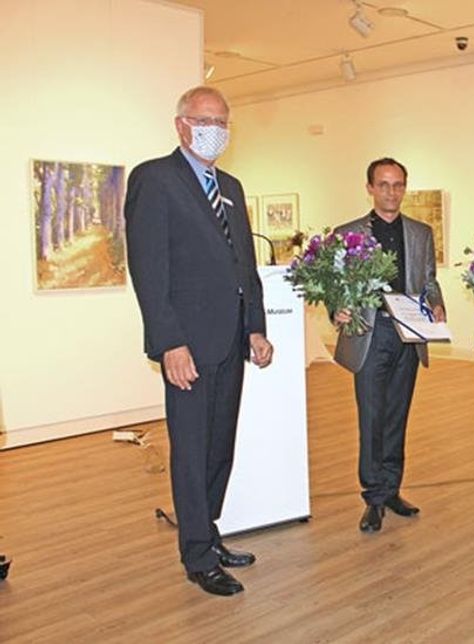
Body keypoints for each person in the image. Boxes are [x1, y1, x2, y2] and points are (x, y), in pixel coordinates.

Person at [126, 86, 273, 595]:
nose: (217, 129)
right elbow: (149, 269)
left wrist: (256, 325)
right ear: (182, 125)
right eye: (207, 119)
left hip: (231, 339)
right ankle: (196, 556)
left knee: (218, 446)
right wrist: (169, 342)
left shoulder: (229, 184)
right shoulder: (155, 180)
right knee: (190, 449)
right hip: (187, 343)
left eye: (224, 121)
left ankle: (208, 533)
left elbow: (243, 265)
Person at [332, 158, 445, 533]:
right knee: (372, 417)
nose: (391, 192)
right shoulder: (348, 233)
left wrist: (437, 302)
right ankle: (373, 498)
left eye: (398, 185)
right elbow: (335, 287)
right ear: (369, 188)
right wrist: (337, 309)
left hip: (408, 335)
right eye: (383, 184)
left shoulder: (420, 232)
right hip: (370, 333)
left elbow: (428, 280)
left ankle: (392, 487)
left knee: (398, 415)